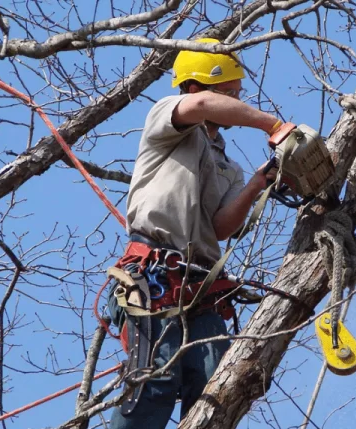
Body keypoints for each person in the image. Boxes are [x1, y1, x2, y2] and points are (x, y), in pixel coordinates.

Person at [108, 38, 285, 429]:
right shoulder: (166, 121)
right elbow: (201, 107)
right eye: (229, 94)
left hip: (201, 289)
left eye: (238, 95)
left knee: (215, 389)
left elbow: (222, 227)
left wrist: (259, 182)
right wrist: (273, 125)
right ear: (194, 86)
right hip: (151, 275)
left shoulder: (228, 166)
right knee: (153, 383)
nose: (237, 102)